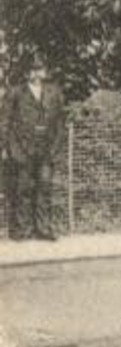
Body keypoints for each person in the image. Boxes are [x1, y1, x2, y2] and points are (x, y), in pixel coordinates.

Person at [3, 58, 66, 241]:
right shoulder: (15, 93)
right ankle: (23, 231)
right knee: (23, 191)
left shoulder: (54, 93)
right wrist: (10, 148)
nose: (37, 74)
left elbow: (60, 124)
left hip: (46, 152)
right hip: (22, 151)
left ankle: (44, 230)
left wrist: (55, 148)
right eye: (33, 70)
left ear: (45, 71)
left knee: (44, 189)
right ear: (26, 73)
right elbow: (5, 123)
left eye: (40, 69)